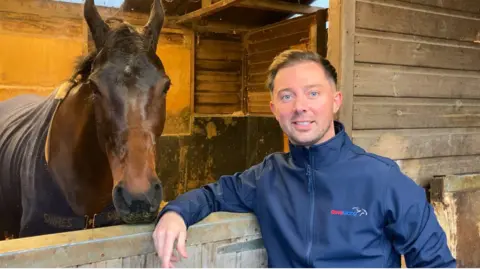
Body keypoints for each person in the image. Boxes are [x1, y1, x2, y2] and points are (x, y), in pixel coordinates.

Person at [152, 49, 456, 268]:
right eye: (287, 96)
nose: (300, 106)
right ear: (274, 109)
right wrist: (175, 213)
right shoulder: (266, 176)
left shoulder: (382, 179)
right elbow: (211, 196)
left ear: (335, 101)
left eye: (313, 93)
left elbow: (435, 262)